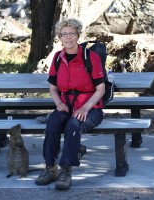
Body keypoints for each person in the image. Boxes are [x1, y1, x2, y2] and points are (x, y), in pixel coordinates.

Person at [35, 18, 105, 190]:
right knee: (52, 124)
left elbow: (101, 89)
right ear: (60, 37)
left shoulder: (91, 57)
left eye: (72, 33)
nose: (68, 37)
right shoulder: (58, 58)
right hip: (66, 105)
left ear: (78, 35)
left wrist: (85, 108)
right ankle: (50, 168)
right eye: (64, 34)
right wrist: (58, 103)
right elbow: (53, 87)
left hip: (90, 107)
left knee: (73, 126)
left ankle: (65, 170)